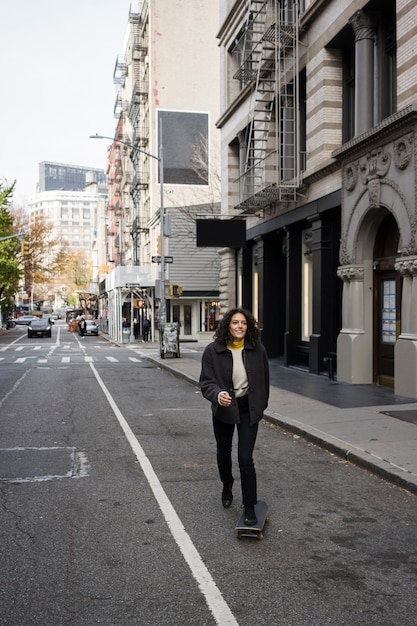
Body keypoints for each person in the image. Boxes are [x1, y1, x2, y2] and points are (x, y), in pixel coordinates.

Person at [199, 308, 270, 526]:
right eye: (235, 322)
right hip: (224, 408)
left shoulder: (258, 350)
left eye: (244, 323)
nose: (240, 326)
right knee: (223, 452)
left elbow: (264, 381)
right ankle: (227, 485)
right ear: (227, 325)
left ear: (248, 327)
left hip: (248, 407)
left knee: (245, 458)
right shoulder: (213, 351)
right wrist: (217, 395)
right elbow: (206, 382)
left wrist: (260, 406)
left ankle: (249, 507)